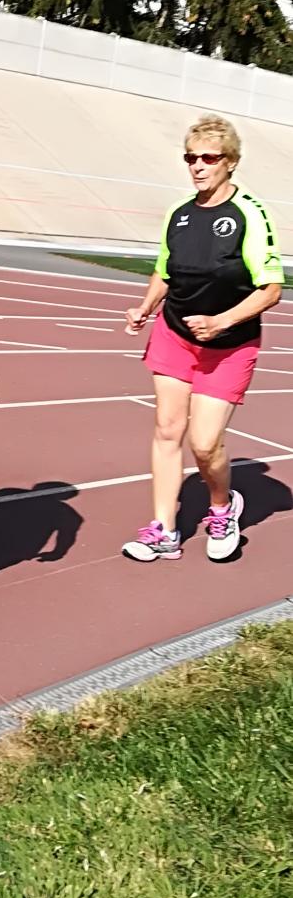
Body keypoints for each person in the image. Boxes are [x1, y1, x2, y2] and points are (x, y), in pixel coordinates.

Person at [122, 115, 283, 563]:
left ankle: (221, 507)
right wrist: (145, 307)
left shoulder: (248, 213)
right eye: (191, 158)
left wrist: (221, 321)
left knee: (205, 442)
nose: (198, 166)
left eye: (209, 158)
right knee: (167, 430)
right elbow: (164, 270)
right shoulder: (180, 213)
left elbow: (270, 289)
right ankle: (163, 530)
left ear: (230, 163)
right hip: (174, 334)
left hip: (229, 345)